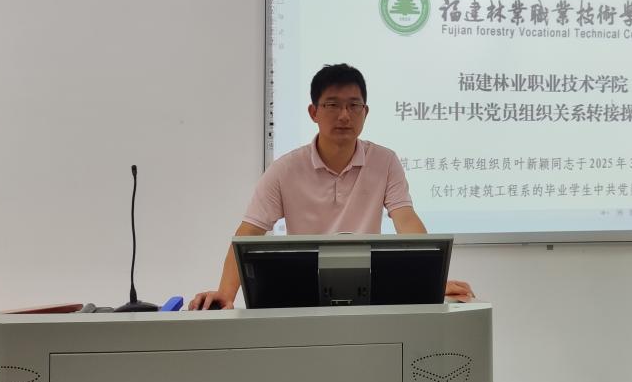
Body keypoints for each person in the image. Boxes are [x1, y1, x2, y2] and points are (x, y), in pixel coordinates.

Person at [190, 64, 473, 310]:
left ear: (365, 112)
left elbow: (406, 219)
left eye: (354, 105)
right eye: (332, 105)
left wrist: (433, 280)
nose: (344, 115)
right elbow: (248, 233)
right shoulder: (285, 169)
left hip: (368, 291)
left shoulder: (385, 161)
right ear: (313, 112)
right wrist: (225, 294)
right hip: (301, 294)